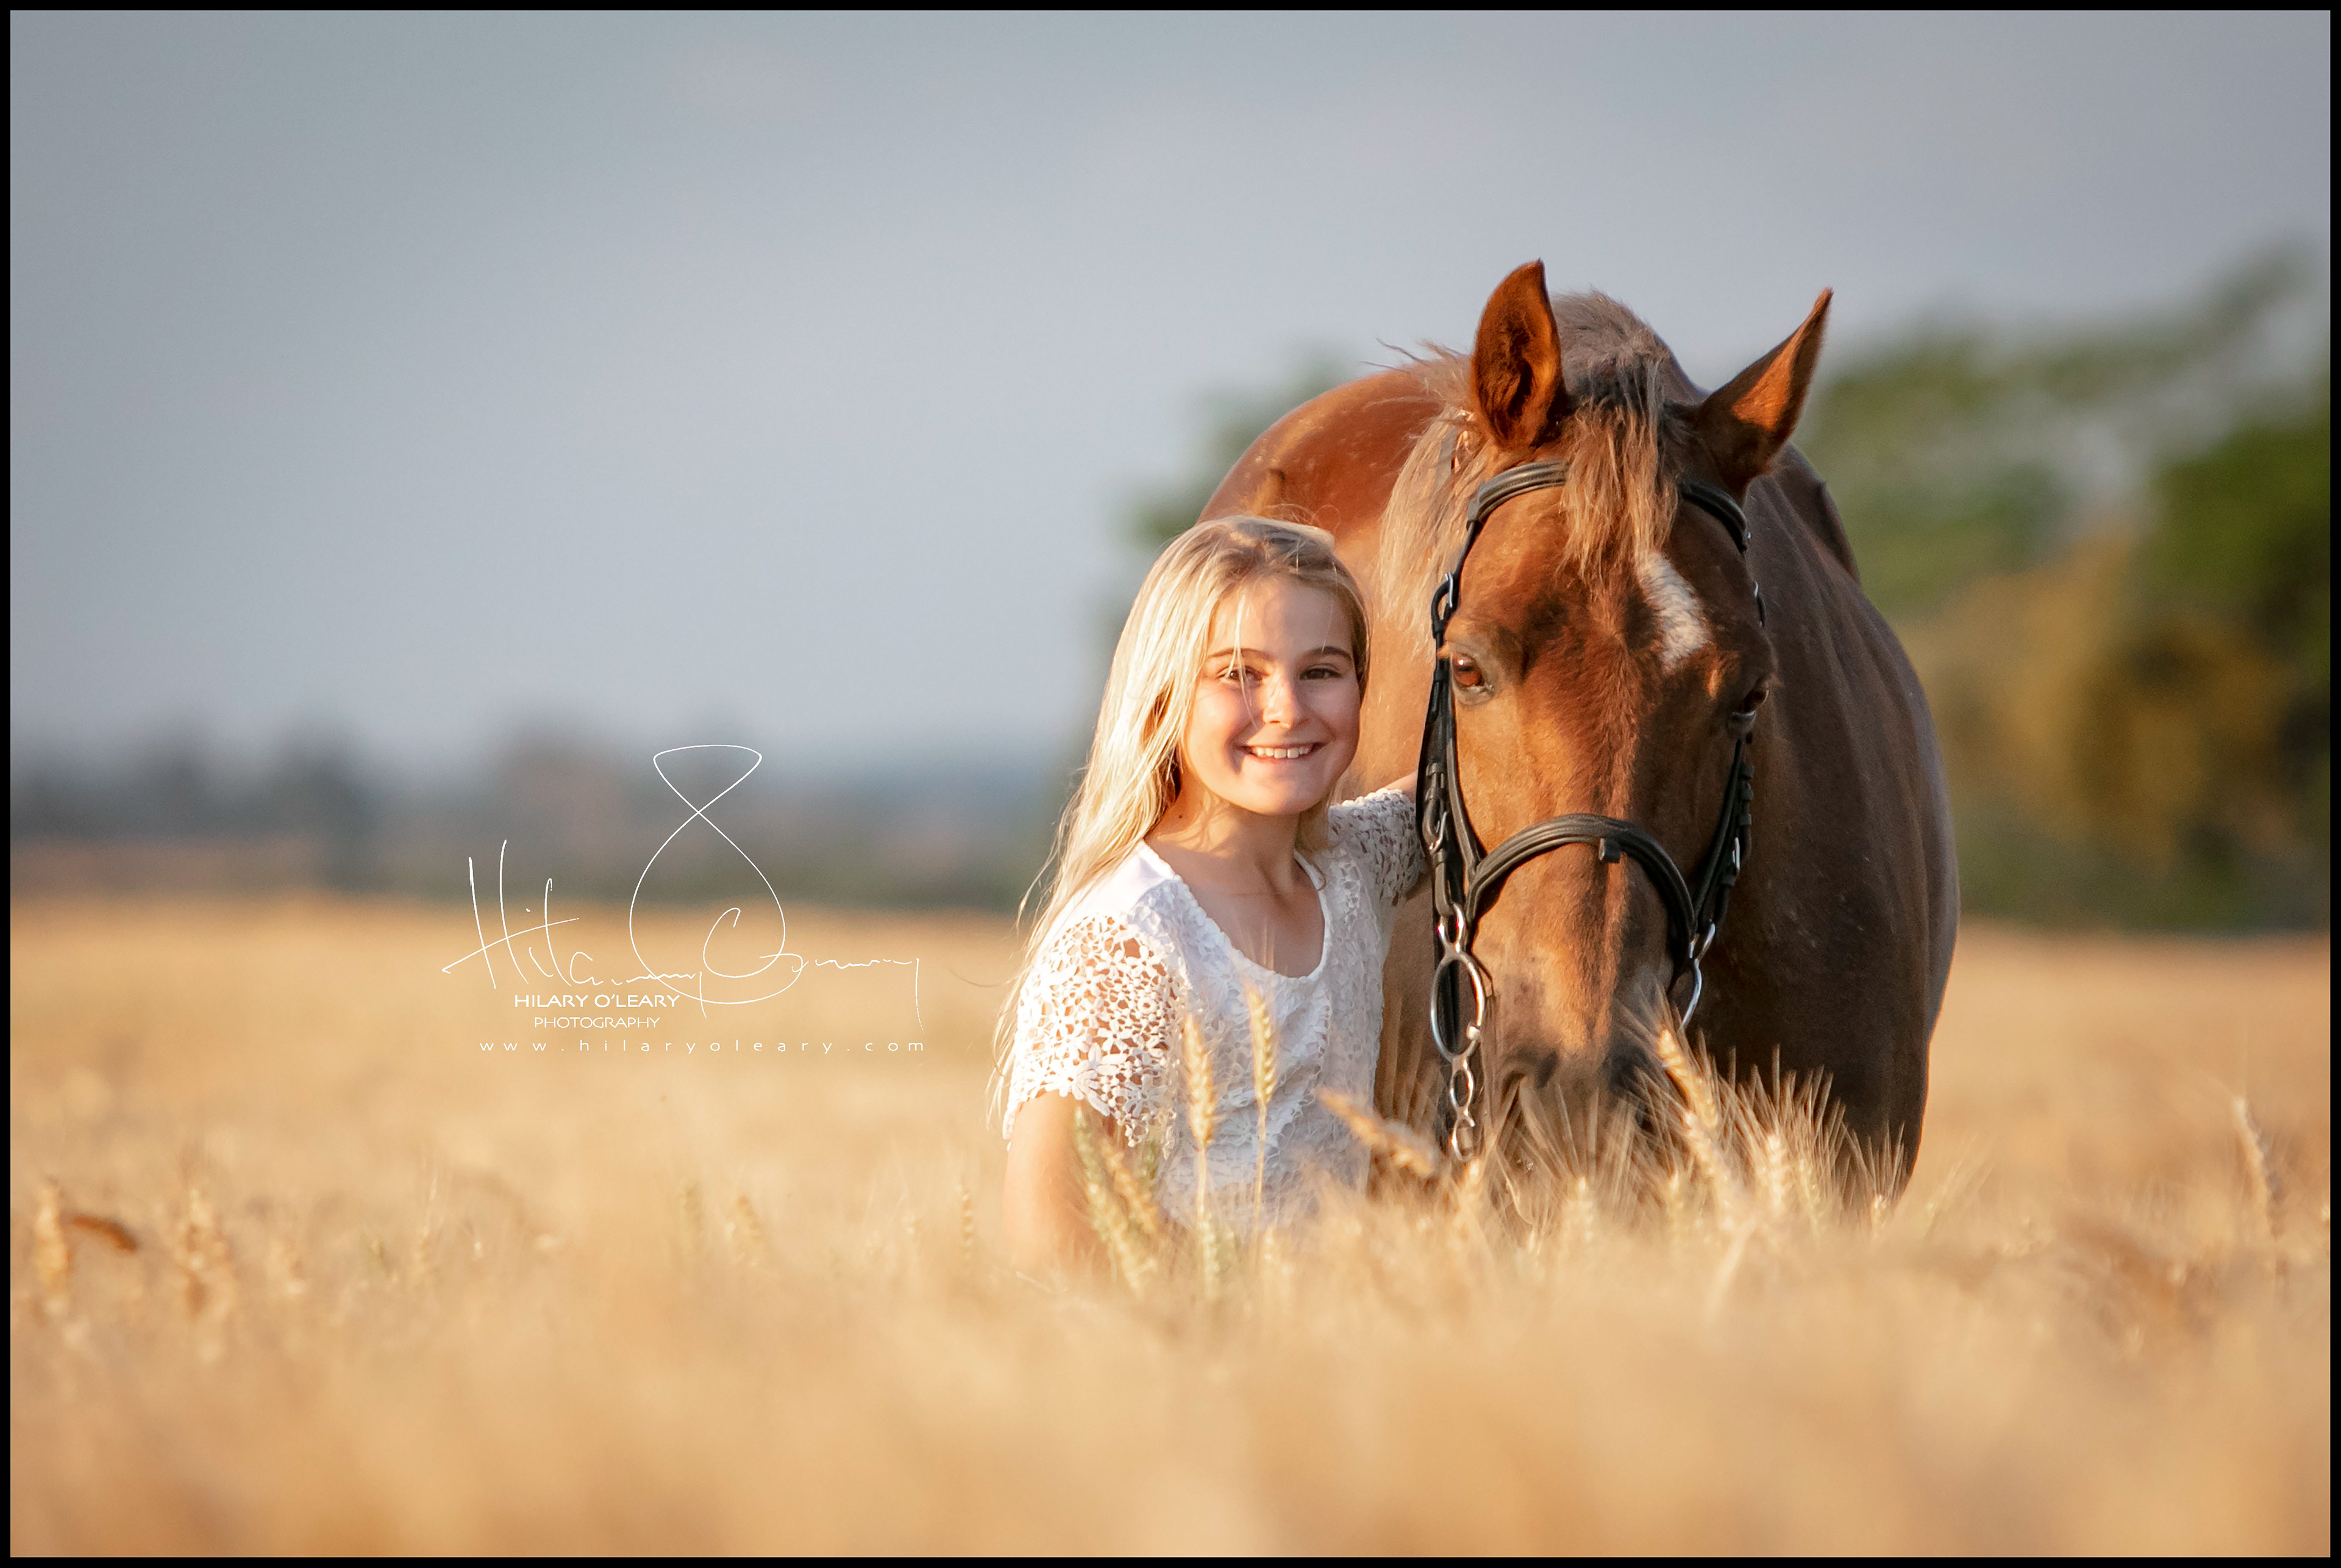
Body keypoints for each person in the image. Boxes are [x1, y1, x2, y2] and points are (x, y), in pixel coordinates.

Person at [999, 516, 1424, 1275]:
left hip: (1337, 1340)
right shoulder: (1129, 938)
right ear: (1163, 696)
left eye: (1322, 671)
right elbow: (1049, 1233)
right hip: (1181, 1343)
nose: (1287, 708)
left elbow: (1474, 786)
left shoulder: (1356, 866)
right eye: (1238, 674)